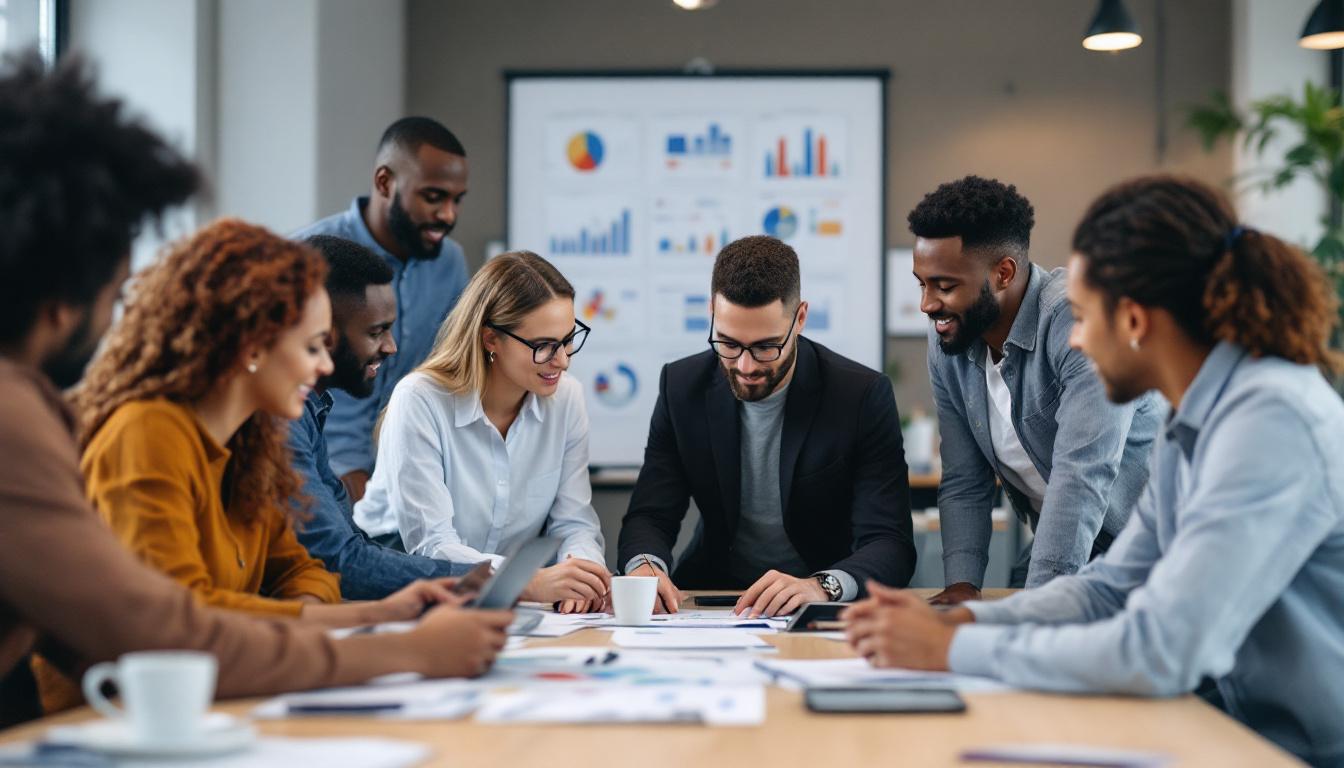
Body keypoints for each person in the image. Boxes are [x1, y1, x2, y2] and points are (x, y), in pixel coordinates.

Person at [0, 51, 509, 725]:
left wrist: (370, 616)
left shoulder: (246, 442)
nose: (323, 367)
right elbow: (168, 632)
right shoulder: (56, 421)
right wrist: (400, 647)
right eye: (116, 291)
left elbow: (291, 577)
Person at [844, 175, 1344, 767]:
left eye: (1082, 317)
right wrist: (966, 619)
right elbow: (1110, 587)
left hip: (1287, 747)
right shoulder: (1195, 421)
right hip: (1219, 721)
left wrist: (953, 650)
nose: (1074, 339)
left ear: (1133, 320)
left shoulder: (1269, 421)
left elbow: (1160, 650)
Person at [618, 235, 916, 617]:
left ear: (800, 319)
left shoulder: (860, 396)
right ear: (712, 312)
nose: (745, 366)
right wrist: (645, 567)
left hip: (818, 600)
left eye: (765, 347)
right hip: (715, 596)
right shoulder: (681, 387)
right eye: (728, 343)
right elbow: (650, 515)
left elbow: (890, 542)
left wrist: (822, 586)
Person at [910, 175, 1159, 599]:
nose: (927, 304)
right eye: (922, 283)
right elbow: (964, 478)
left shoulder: (1077, 325)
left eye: (946, 286)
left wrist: (1039, 609)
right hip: (1068, 546)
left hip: (1152, 553)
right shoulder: (949, 339)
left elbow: (1081, 476)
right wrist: (961, 586)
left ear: (1003, 273)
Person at [354, 251, 611, 613]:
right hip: (393, 588)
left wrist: (582, 576)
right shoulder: (420, 399)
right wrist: (528, 582)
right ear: (491, 339)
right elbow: (431, 545)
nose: (563, 360)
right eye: (543, 346)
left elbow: (574, 522)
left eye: (568, 339)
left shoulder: (567, 399)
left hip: (494, 598)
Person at [293, 116, 471, 506]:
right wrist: (345, 479)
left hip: (405, 475)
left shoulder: (451, 264)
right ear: (385, 182)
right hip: (316, 472)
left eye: (457, 200)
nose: (448, 215)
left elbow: (450, 371)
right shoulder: (307, 256)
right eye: (433, 197)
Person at [289, 235, 475, 598]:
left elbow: (348, 550)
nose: (391, 347)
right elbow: (342, 561)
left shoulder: (312, 407)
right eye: (376, 332)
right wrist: (483, 580)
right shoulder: (282, 420)